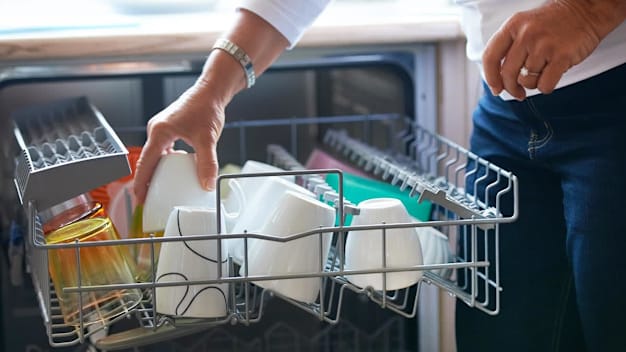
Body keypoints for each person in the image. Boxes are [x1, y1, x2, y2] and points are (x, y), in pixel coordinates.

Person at [133, 1, 626, 351]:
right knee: (501, 336)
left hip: (613, 98)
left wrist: (588, 10)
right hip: (507, 109)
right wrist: (212, 89)